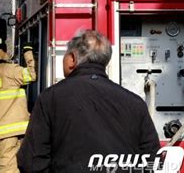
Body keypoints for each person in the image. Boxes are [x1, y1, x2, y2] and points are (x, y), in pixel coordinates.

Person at [17, 30, 160, 172]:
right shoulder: (135, 103)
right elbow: (153, 159)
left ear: (72, 59)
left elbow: (31, 161)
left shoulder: (50, 98)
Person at [0, 33, 36, 173]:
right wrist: (28, 53)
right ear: (3, 50)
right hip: (10, 133)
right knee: (8, 170)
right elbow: (31, 75)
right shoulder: (11, 70)